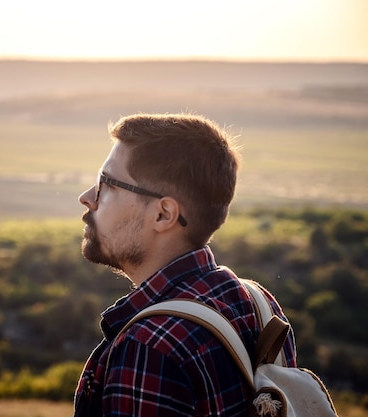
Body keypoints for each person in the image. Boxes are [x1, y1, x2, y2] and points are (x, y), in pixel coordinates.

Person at [74, 113, 296, 417]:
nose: (87, 197)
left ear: (164, 214)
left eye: (107, 184)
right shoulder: (259, 305)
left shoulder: (149, 346)